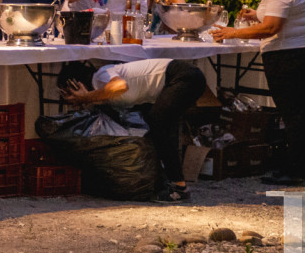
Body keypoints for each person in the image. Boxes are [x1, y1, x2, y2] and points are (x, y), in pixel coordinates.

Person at [211, 0, 305, 185]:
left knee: (293, 114)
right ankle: (304, 168)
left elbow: (273, 27)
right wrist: (257, 15)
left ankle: (295, 172)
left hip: (288, 55)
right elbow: (287, 15)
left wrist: (232, 32)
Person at [60, 57, 207, 203]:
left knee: (159, 124)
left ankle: (179, 188)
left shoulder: (101, 75)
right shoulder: (101, 93)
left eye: (71, 96)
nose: (73, 102)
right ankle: (169, 181)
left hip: (183, 76)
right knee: (161, 126)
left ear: (76, 84)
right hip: (180, 79)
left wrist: (85, 97)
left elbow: (120, 86)